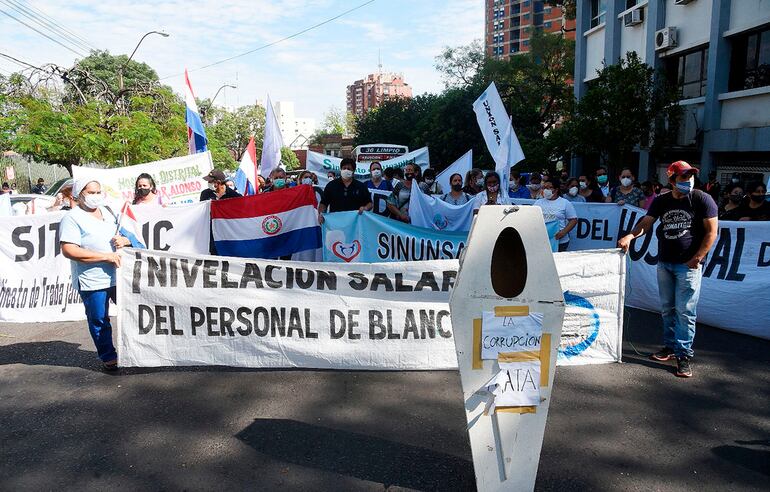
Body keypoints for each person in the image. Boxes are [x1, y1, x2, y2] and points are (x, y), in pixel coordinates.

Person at [617, 161, 718, 378]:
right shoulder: (662, 201)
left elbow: (712, 232)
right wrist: (630, 236)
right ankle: (670, 347)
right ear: (671, 180)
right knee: (667, 308)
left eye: (690, 177)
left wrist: (698, 258)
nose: (688, 181)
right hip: (665, 262)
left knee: (686, 311)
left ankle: (683, 355)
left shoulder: (702, 199)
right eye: (683, 178)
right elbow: (646, 223)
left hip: (688, 265)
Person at [59, 178, 134, 371]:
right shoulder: (72, 218)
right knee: (99, 318)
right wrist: (104, 257)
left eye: (98, 192)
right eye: (91, 192)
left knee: (133, 313)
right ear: (80, 194)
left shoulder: (109, 212)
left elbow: (129, 236)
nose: (95, 196)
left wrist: (125, 240)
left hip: (119, 275)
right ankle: (108, 356)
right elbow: (69, 250)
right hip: (92, 280)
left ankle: (136, 351)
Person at [318, 158, 372, 224]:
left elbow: (370, 203)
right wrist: (321, 214)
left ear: (353, 171)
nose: (346, 170)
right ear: (341, 169)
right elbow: (323, 203)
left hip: (355, 224)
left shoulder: (361, 186)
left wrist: (365, 208)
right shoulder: (331, 185)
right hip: (335, 223)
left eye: (349, 169)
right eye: (344, 168)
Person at [534, 178, 578, 252]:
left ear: (556, 189)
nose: (546, 190)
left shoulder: (565, 203)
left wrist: (563, 232)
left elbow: (573, 220)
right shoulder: (538, 203)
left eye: (549, 187)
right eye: (544, 187)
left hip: (560, 241)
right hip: (543, 241)